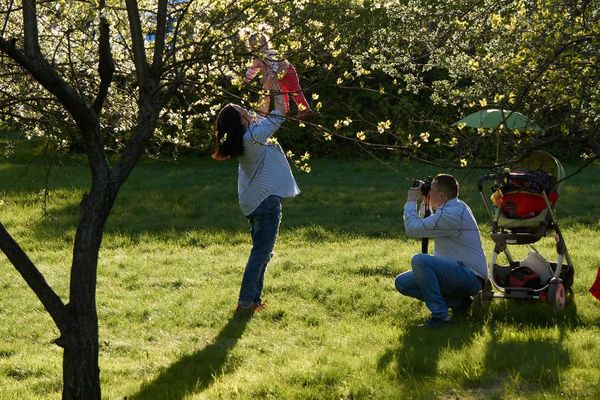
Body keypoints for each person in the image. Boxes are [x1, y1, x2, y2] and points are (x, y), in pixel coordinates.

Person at [213, 73, 300, 312]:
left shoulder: (247, 136)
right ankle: (245, 302)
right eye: (244, 111)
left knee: (262, 252)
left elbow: (261, 112)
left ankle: (254, 301)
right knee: (261, 253)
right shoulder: (253, 137)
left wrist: (269, 85)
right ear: (241, 120)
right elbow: (279, 112)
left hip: (253, 203)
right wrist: (279, 89)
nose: (249, 111)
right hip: (266, 202)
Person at [394, 174, 487, 327]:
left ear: (442, 195)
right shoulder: (454, 207)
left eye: (431, 189)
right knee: (403, 283)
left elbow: (413, 230)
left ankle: (440, 317)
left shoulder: (451, 214)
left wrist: (411, 201)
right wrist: (426, 202)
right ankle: (459, 303)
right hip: (455, 273)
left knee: (419, 260)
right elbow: (425, 224)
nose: (428, 191)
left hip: (470, 277)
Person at [244, 31, 312, 119]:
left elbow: (274, 67)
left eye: (260, 46)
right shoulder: (257, 59)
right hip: (277, 77)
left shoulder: (271, 54)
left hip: (288, 72)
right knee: (281, 92)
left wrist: (266, 77)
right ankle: (285, 111)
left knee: (294, 90)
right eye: (254, 48)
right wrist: (246, 79)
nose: (258, 50)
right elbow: (252, 69)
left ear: (266, 45)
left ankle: (304, 109)